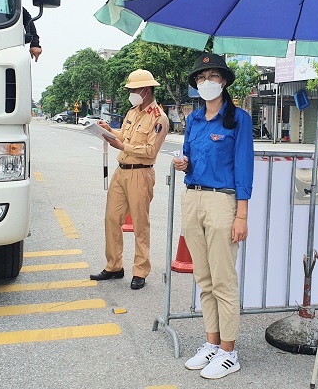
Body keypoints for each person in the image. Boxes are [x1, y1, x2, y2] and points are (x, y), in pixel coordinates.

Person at [172, 53, 254, 379]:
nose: (208, 82)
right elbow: (190, 158)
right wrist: (183, 164)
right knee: (203, 280)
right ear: (196, 84)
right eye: (202, 77)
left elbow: (244, 168)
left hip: (223, 203)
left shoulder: (239, 119)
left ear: (223, 82)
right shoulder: (192, 120)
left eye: (214, 76)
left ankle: (230, 352)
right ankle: (212, 344)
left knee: (223, 280)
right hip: (192, 198)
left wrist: (242, 216)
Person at [90, 69, 169, 290]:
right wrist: (108, 131)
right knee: (111, 218)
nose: (131, 93)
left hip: (141, 173)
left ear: (145, 90)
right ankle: (114, 266)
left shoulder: (159, 118)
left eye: (133, 90)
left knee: (140, 224)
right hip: (121, 171)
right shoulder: (132, 112)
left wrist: (122, 146)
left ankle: (140, 270)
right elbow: (124, 135)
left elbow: (151, 150)